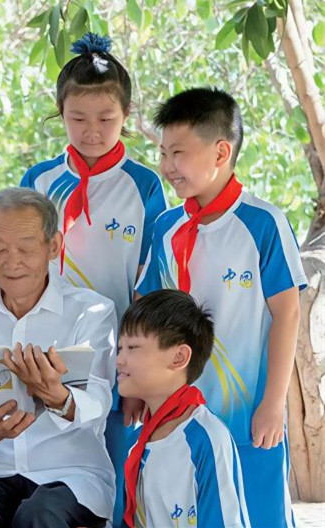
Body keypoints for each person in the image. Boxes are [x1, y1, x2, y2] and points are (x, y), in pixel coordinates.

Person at [136, 87, 306, 527]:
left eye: (178, 153)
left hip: (247, 417)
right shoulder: (165, 229)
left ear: (220, 152)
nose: (167, 166)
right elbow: (145, 312)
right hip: (178, 421)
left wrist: (273, 404)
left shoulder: (263, 223)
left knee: (262, 515)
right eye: (163, 153)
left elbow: (288, 313)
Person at [20, 33, 166, 524]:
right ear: (59, 114)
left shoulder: (144, 186)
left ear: (126, 114)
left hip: (118, 360)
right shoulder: (38, 181)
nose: (91, 131)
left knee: (120, 474)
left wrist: (138, 374)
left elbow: (148, 285)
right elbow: (19, 269)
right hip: (47, 358)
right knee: (51, 483)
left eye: (106, 118)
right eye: (77, 118)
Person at [0, 188, 117, 528]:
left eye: (26, 248)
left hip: (71, 474)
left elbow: (99, 403)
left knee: (40, 514)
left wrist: (59, 398)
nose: (12, 262)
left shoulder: (91, 311)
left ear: (53, 245)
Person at [118, 290, 250, 527]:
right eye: (120, 349)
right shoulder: (135, 443)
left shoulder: (206, 438)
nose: (119, 360)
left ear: (179, 357)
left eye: (133, 348)